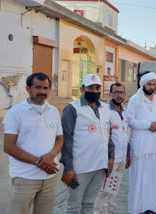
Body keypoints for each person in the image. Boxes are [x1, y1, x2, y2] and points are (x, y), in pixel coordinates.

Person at [3, 73, 63, 214]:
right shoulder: (15, 113)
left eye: (45, 88)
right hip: (24, 178)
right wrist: (40, 162)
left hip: (49, 177)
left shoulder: (53, 111)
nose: (42, 92)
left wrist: (51, 156)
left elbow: (60, 138)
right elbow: (9, 146)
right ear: (28, 88)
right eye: (37, 87)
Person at [60, 74, 114, 214]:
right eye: (90, 87)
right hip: (78, 169)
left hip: (100, 167)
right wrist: (68, 167)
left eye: (97, 88)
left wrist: (111, 157)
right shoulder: (72, 108)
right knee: (73, 206)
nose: (94, 91)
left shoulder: (105, 109)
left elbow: (109, 134)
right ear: (82, 89)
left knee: (90, 203)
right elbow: (66, 139)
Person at [127, 72, 156, 214]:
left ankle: (151, 208)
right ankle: (136, 209)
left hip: (154, 145)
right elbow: (130, 121)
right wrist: (148, 124)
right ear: (143, 84)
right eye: (149, 84)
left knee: (153, 179)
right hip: (140, 145)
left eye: (154, 84)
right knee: (138, 179)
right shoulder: (134, 99)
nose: (151, 87)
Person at [95, 83, 131, 214]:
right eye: (116, 92)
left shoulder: (125, 112)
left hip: (121, 160)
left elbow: (126, 135)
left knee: (113, 190)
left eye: (121, 92)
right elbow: (103, 137)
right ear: (110, 94)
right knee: (103, 191)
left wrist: (128, 154)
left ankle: (110, 212)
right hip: (109, 160)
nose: (119, 95)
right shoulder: (105, 111)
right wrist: (109, 157)